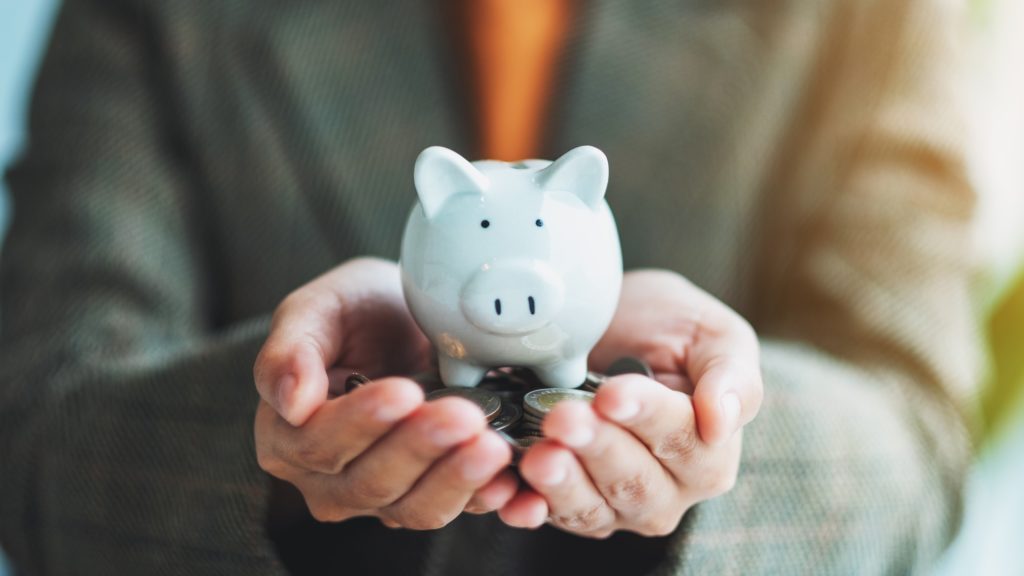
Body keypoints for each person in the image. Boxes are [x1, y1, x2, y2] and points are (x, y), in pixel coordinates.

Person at [0, 0, 978, 574]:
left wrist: (717, 430)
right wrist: (278, 438)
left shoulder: (867, 20)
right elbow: (37, 434)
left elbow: (919, 438)